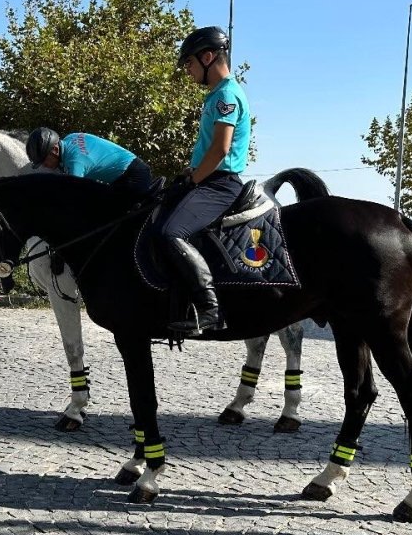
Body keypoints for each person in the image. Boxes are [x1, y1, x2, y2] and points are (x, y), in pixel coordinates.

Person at [163, 25, 252, 335]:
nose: (187, 70)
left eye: (189, 63)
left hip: (220, 183)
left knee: (172, 232)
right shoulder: (216, 95)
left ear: (208, 56)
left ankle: (209, 310)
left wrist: (195, 179)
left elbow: (220, 149)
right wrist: (191, 172)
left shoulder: (226, 94)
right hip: (207, 178)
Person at [25, 128, 156, 197]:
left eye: (44, 160)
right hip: (126, 173)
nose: (44, 166)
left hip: (134, 177)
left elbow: (70, 198)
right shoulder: (70, 137)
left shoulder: (75, 163)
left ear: (54, 149)